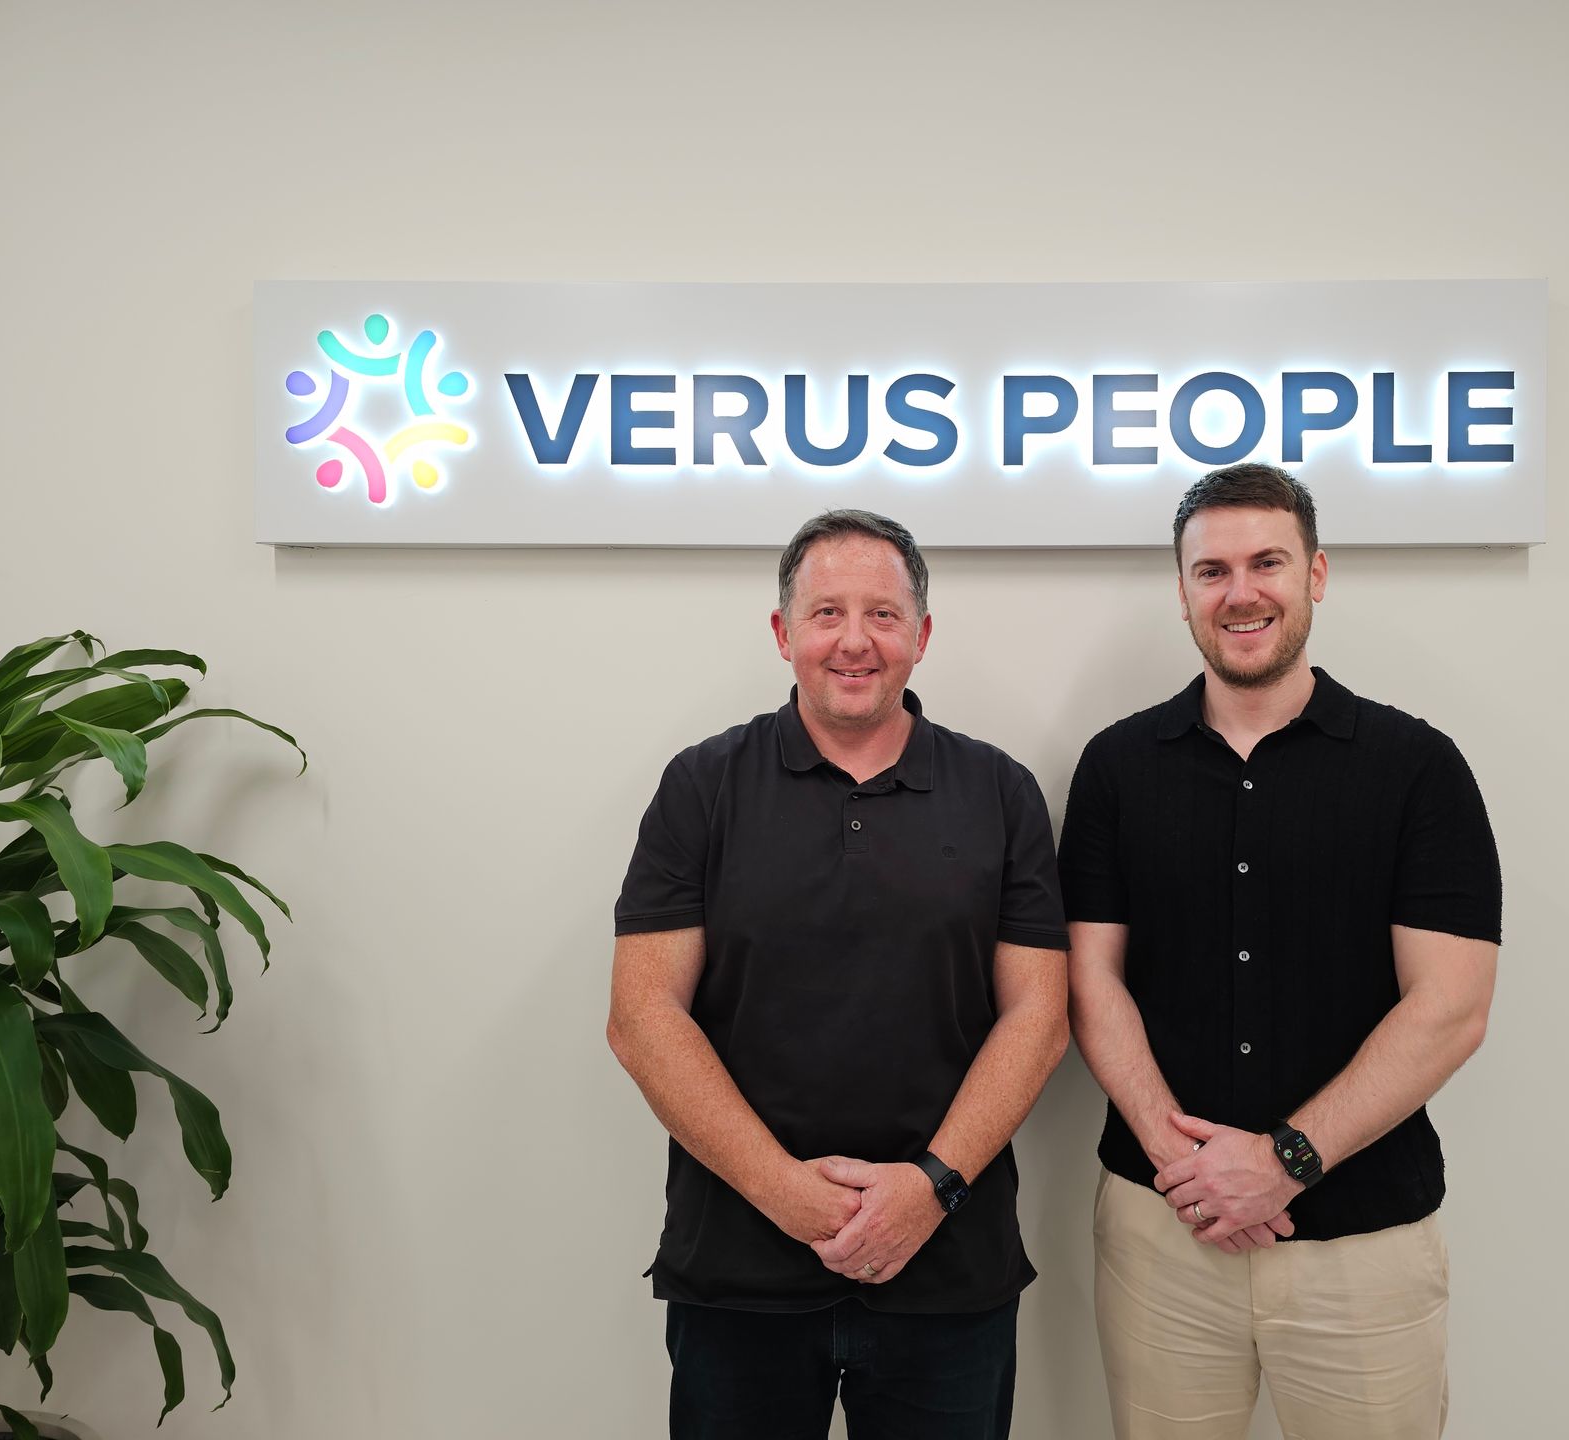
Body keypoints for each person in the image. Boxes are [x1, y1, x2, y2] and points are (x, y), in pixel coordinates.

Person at [1060, 463, 1501, 1439]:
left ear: (1317, 574)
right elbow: (1089, 978)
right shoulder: (1117, 768)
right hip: (1160, 1231)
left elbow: (1452, 1007)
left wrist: (1286, 1161)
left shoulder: (1417, 769)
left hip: (1364, 1243)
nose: (1241, 591)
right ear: (1182, 594)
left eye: (1268, 562)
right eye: (1211, 570)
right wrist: (1186, 1163)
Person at [608, 509, 1070, 1440]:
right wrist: (788, 1194)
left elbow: (1040, 1017)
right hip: (739, 1270)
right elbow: (642, 1015)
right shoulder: (703, 786)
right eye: (825, 614)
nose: (854, 641)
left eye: (884, 615)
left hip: (948, 1271)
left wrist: (929, 1189)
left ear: (922, 636)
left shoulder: (1000, 791)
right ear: (783, 633)